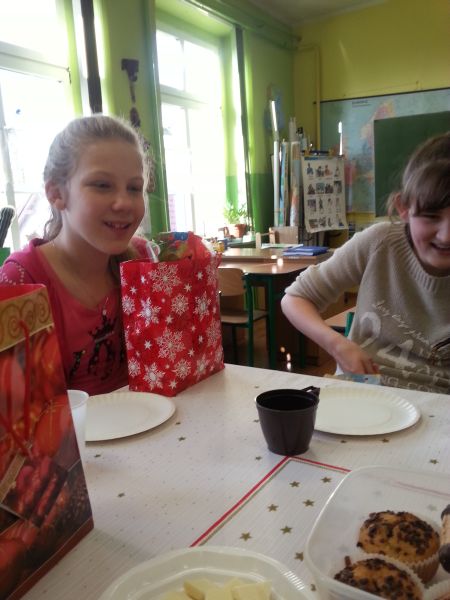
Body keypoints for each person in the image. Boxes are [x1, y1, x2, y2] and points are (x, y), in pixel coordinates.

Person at [0, 114, 158, 395]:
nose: (124, 202)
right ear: (56, 193)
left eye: (134, 188)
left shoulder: (143, 259)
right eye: (102, 185)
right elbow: (19, 404)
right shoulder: (22, 280)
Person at [281, 132, 450, 394]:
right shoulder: (379, 242)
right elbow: (295, 298)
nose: (446, 236)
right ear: (403, 208)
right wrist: (337, 344)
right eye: (430, 216)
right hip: (362, 392)